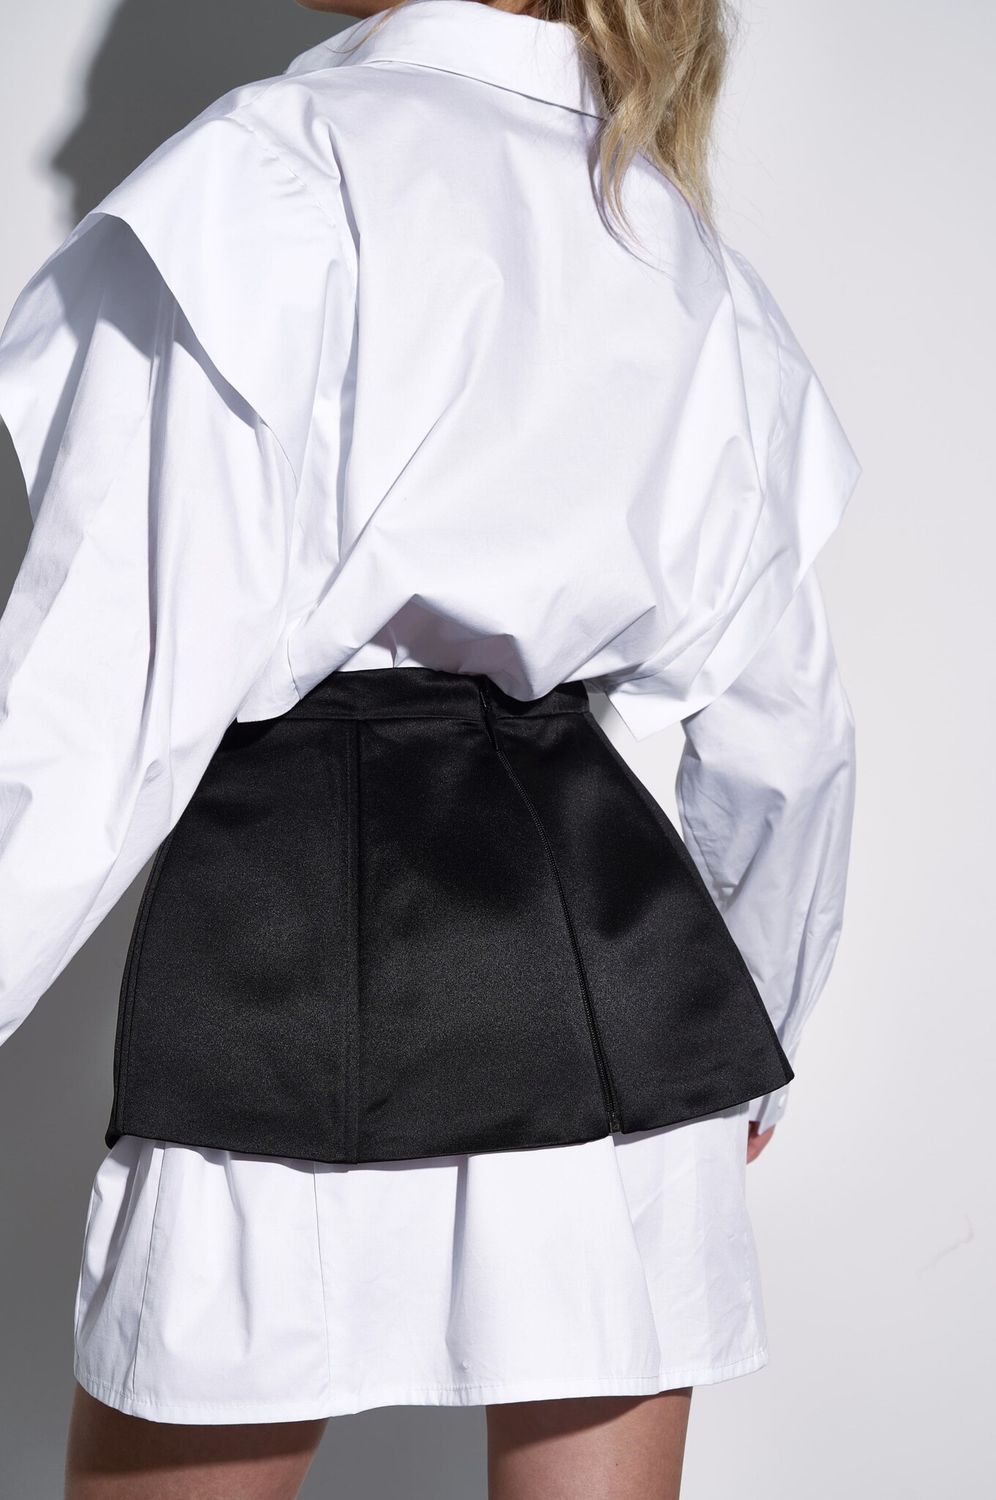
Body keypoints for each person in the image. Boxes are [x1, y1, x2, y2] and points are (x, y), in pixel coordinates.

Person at [0, 0, 861, 1495]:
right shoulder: (683, 254)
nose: (73, 134)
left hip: (276, 971)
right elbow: (784, 741)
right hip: (621, 1013)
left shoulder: (278, 173)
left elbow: (94, 709)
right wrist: (747, 1050)